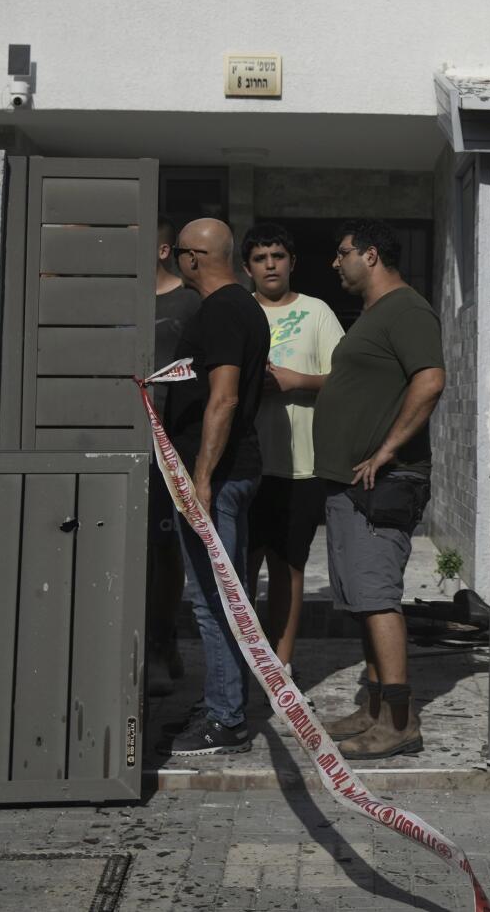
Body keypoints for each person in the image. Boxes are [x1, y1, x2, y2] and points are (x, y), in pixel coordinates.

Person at [313, 220, 445, 761]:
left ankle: (398, 721)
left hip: (383, 480)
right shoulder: (374, 314)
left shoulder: (408, 310)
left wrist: (389, 448)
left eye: (341, 253)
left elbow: (430, 379)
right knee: (360, 600)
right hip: (351, 480)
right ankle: (372, 707)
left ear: (370, 255)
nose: (335, 262)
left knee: (377, 597)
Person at [163, 218, 271, 756]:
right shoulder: (238, 307)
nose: (173, 261)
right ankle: (220, 701)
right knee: (222, 597)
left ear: (194, 258)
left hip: (219, 478)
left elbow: (224, 398)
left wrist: (201, 478)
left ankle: (226, 721)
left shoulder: (225, 310)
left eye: (177, 252)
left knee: (215, 601)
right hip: (226, 475)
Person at [240, 221, 346, 673]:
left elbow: (344, 380)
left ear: (292, 263)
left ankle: (280, 669)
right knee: (239, 570)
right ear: (247, 267)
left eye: (278, 256)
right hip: (242, 464)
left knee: (288, 569)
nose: (270, 265)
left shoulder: (318, 311)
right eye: (261, 258)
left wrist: (293, 381)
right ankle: (239, 663)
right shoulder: (236, 310)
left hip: (300, 466)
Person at [148, 218, 202, 685]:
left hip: (170, 449)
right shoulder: (118, 302)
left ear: (163, 248)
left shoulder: (190, 303)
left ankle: (162, 648)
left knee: (165, 549)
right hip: (120, 444)